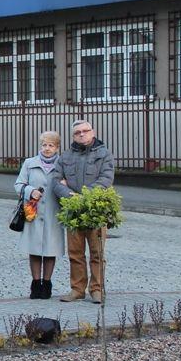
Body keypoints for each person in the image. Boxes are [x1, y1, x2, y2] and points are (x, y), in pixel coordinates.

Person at [55, 120, 115, 304]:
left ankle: (97, 290)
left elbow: (106, 179)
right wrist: (70, 196)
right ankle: (77, 289)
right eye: (77, 132)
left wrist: (84, 197)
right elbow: (56, 181)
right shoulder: (65, 157)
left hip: (96, 211)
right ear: (73, 136)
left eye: (85, 131)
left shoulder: (104, 154)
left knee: (97, 253)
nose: (82, 134)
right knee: (75, 253)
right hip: (73, 212)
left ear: (93, 132)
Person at [14, 131, 65, 299]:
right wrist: (30, 191)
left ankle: (47, 284)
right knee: (34, 249)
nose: (47, 148)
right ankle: (36, 284)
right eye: (44, 145)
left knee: (51, 250)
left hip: (53, 213)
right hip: (33, 213)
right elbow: (18, 184)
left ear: (57, 147)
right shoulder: (29, 163)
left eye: (51, 145)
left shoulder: (63, 164)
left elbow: (68, 186)